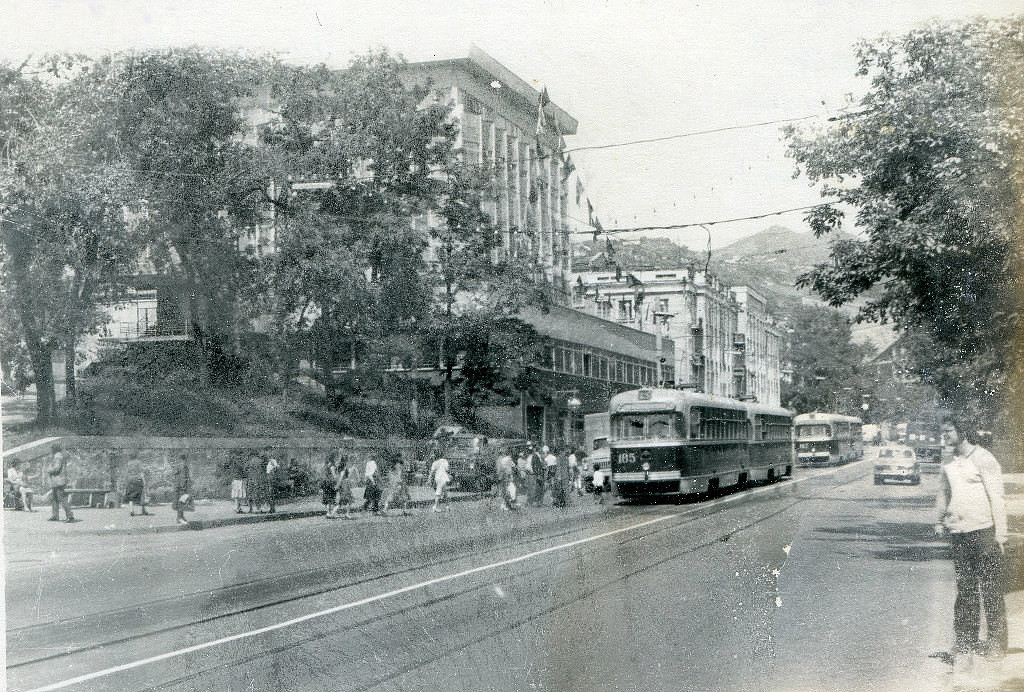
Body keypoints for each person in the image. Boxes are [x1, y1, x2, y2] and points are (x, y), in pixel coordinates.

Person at [935, 414, 1008, 666]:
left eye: (948, 431)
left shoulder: (983, 458)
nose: (944, 436)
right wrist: (939, 519)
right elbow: (943, 492)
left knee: (990, 591)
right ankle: (966, 643)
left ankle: (997, 645)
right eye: (942, 432)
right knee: (965, 591)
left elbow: (997, 497)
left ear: (961, 431)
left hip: (984, 533)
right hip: (959, 534)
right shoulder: (948, 461)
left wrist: (1001, 534)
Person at [47, 443, 77, 523]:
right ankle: (55, 515)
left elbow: (56, 468)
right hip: (58, 480)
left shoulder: (57, 456)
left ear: (54, 449)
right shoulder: (60, 455)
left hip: (58, 480)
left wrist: (49, 469)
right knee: (55, 498)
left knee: (62, 498)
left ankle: (70, 516)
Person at [173, 454, 191, 525]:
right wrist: (181, 488)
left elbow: (187, 478)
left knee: (183, 503)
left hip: (184, 488)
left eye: (186, 460)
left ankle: (182, 517)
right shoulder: (180, 468)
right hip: (180, 489)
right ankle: (179, 518)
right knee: (180, 503)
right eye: (184, 460)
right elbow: (178, 479)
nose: (185, 461)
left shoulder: (185, 468)